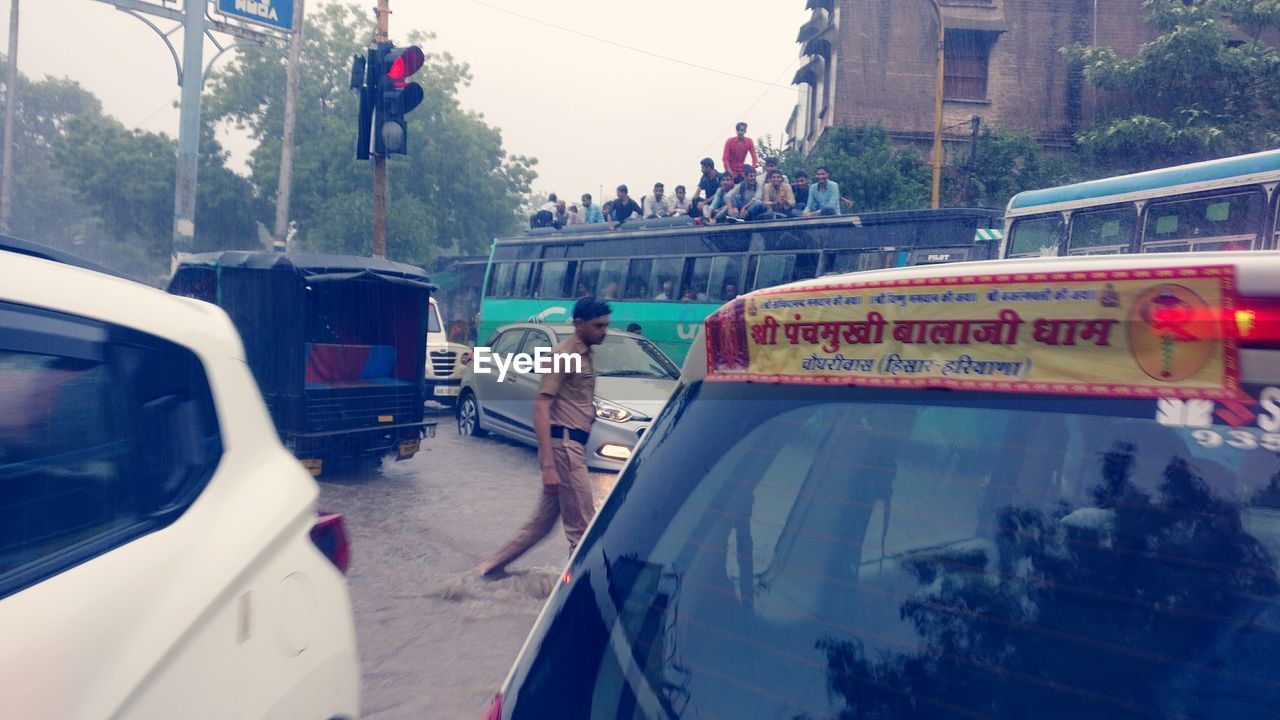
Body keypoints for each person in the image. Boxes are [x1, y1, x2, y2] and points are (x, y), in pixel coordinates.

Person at [471, 297, 611, 577]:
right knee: (583, 529)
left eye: (606, 325)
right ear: (579, 324)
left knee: (540, 525)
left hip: (572, 447)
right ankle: (576, 591)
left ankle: (482, 572)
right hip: (565, 450)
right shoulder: (563, 354)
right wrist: (548, 464)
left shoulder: (584, 354)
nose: (603, 331)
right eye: (598, 326)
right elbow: (540, 407)